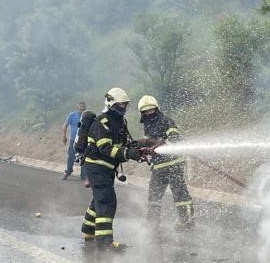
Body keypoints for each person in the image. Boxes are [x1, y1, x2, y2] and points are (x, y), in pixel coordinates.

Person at [80, 87, 143, 250]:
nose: (123, 108)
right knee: (107, 201)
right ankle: (104, 241)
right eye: (121, 105)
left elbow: (123, 144)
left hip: (106, 168)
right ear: (111, 104)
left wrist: (138, 149)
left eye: (125, 105)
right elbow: (105, 148)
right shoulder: (102, 121)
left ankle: (88, 231)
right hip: (97, 166)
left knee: (100, 199)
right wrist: (127, 153)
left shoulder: (119, 122)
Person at [138, 95, 194, 231]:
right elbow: (150, 143)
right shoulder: (147, 125)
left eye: (151, 110)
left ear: (156, 109)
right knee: (154, 194)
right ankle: (152, 222)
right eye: (145, 112)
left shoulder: (166, 121)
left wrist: (161, 143)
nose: (149, 114)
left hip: (174, 163)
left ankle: (186, 221)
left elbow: (175, 138)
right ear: (142, 113)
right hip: (159, 166)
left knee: (180, 194)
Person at [62, 101, 87, 181]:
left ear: (85, 108)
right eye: (80, 107)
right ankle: (68, 172)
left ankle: (84, 175)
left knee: (84, 157)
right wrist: (64, 136)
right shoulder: (72, 115)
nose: (82, 108)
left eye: (83, 107)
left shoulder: (87, 116)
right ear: (77, 107)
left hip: (84, 141)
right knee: (71, 156)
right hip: (73, 140)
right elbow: (65, 125)